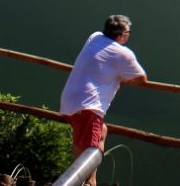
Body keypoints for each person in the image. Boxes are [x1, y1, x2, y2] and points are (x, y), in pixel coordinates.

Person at [60, 14, 148, 185]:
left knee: (100, 133)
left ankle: (90, 180)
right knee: (88, 152)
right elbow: (141, 79)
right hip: (89, 106)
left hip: (70, 100)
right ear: (123, 35)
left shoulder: (95, 37)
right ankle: (88, 183)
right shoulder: (123, 53)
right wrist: (121, 78)